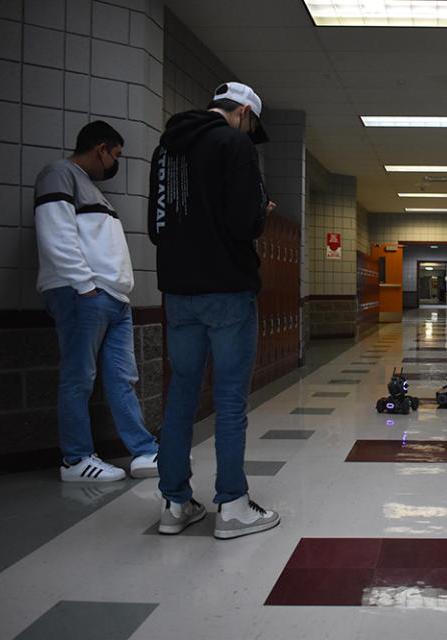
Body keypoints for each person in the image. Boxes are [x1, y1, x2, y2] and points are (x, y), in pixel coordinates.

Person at [148, 82, 278, 539]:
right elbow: (246, 221)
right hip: (226, 289)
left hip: (178, 293)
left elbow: (156, 225)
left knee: (181, 397)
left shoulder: (165, 151)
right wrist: (262, 210)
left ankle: (175, 503)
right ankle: (233, 505)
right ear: (243, 111)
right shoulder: (234, 144)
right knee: (228, 400)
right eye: (252, 123)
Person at [35, 121, 160, 483]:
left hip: (113, 298)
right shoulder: (59, 174)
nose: (114, 164)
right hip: (82, 295)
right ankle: (76, 459)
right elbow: (55, 230)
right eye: (115, 155)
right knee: (78, 379)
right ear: (101, 148)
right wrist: (83, 285)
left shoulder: (89, 186)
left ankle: (143, 451)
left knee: (123, 379)